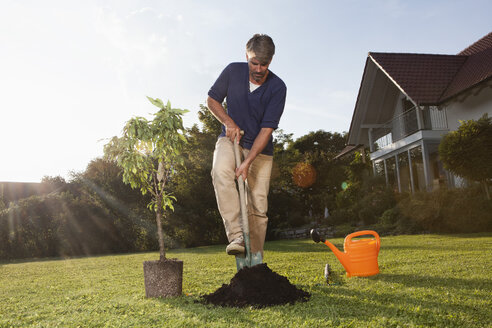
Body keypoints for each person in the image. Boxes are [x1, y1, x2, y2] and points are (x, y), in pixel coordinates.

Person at [207, 34, 287, 256]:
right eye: (254, 62)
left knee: (258, 208)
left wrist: (248, 162)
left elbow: (266, 130)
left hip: (260, 151)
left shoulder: (278, 87)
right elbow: (212, 100)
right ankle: (236, 236)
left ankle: (255, 261)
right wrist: (228, 121)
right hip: (230, 140)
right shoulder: (233, 71)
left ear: (271, 61)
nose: (259, 69)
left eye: (264, 64)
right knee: (221, 171)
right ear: (246, 56)